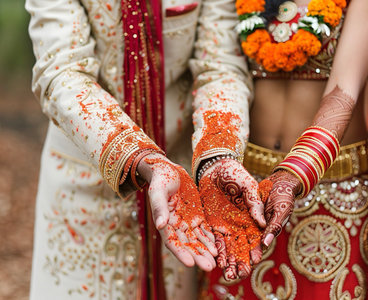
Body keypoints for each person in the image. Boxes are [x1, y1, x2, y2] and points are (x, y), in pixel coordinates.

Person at [25, 0, 265, 298]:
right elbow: (61, 71)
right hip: (83, 185)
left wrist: (218, 155)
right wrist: (142, 158)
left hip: (184, 197)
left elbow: (221, 66)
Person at [199, 0, 368, 299]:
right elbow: (219, 71)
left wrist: (292, 174)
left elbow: (343, 92)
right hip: (247, 191)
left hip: (332, 193)